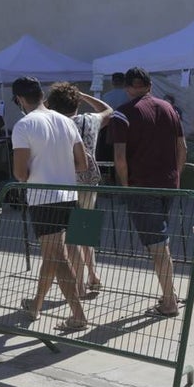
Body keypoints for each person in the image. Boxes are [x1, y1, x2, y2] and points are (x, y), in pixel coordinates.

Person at [10, 76, 88, 332]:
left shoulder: (24, 125)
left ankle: (77, 315)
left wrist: (40, 170)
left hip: (44, 199)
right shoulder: (66, 121)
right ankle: (36, 303)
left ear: (20, 99)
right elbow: (82, 164)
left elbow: (20, 174)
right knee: (51, 256)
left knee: (57, 256)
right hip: (69, 195)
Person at [111, 66, 187, 318]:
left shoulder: (123, 114)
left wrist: (125, 186)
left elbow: (120, 158)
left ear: (128, 87)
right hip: (168, 184)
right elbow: (182, 147)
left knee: (157, 246)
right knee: (161, 242)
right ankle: (169, 294)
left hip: (141, 186)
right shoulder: (169, 109)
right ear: (150, 85)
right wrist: (175, 175)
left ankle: (169, 300)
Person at [45, 81, 113, 298]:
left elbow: (39, 109)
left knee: (71, 238)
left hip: (64, 182)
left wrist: (51, 101)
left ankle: (81, 284)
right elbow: (107, 110)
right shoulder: (88, 121)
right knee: (85, 231)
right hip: (89, 181)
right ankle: (93, 274)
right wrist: (82, 95)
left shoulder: (53, 124)